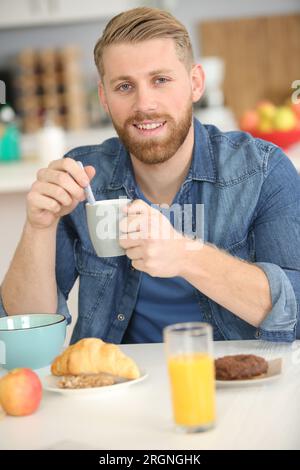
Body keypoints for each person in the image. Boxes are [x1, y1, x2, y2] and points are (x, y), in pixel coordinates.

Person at [1, 7, 300, 344]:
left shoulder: (262, 171)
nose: (145, 104)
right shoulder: (85, 180)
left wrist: (185, 256)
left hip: (239, 384)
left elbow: (296, 311)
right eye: (124, 86)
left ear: (195, 83)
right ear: (103, 97)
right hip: (114, 384)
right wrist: (38, 227)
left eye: (161, 80)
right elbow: (24, 330)